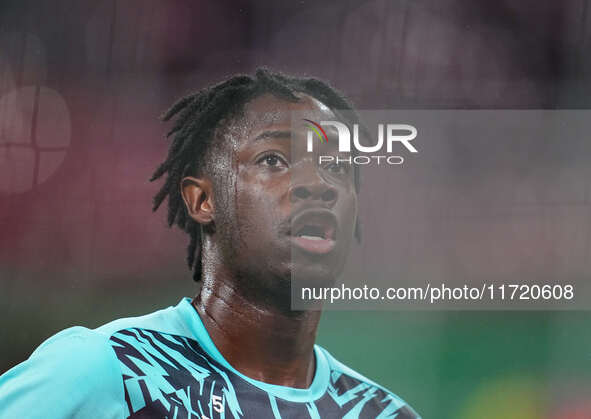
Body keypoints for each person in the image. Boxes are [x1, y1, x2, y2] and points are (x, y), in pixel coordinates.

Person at [0, 68, 420, 418]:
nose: (318, 184)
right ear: (203, 200)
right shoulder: (108, 370)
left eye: (336, 166)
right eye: (273, 159)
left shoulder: (382, 413)